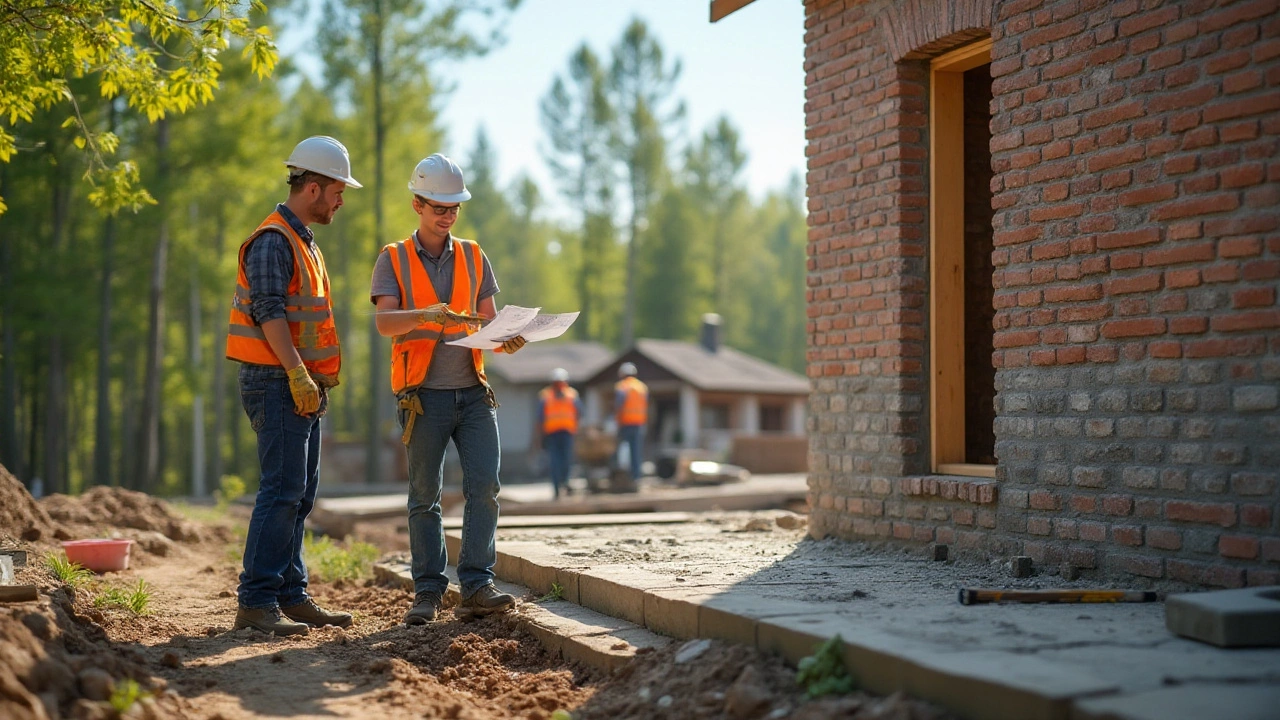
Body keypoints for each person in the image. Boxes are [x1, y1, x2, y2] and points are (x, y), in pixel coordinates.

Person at [370, 153, 525, 625]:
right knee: (425, 495)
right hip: (423, 396)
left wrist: (508, 340)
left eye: (454, 205)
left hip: (474, 394)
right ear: (417, 203)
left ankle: (477, 585)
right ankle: (429, 592)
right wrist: (425, 314)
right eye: (439, 205)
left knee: (486, 488)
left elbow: (489, 321)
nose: (448, 213)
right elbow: (383, 322)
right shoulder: (393, 258)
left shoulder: (475, 255)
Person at [225, 136, 361, 636]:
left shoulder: (302, 239)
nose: (341, 200)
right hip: (277, 380)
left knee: (300, 495)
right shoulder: (273, 240)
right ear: (311, 187)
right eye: (337, 191)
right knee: (281, 491)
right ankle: (256, 601)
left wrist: (309, 378)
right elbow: (268, 311)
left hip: (299, 384)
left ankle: (289, 593)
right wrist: (296, 372)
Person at [538, 368, 580, 500]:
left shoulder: (572, 395)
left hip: (566, 432)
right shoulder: (545, 396)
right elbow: (540, 417)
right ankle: (557, 488)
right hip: (552, 434)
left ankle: (565, 484)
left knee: (566, 461)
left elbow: (579, 413)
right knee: (555, 462)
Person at [614, 362, 648, 482]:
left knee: (619, 450)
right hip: (639, 424)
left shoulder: (622, 386)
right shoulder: (642, 387)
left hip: (625, 423)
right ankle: (636, 476)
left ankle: (621, 475)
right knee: (636, 451)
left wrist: (617, 422)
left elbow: (619, 405)